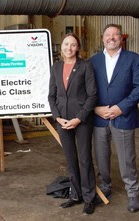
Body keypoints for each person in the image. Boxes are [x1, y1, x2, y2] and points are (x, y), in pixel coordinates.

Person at [90, 24, 139, 213]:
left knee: (127, 158)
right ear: (102, 38)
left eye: (115, 34)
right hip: (99, 118)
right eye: (108, 34)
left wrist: (120, 108)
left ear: (121, 38)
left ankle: (132, 193)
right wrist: (96, 109)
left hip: (124, 116)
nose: (111, 37)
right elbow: (87, 90)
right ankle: (105, 187)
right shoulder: (93, 61)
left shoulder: (134, 60)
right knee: (101, 156)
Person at [48, 33, 97, 215]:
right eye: (66, 44)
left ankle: (89, 198)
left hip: (81, 121)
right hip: (63, 121)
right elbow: (51, 96)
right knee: (70, 160)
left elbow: (92, 96)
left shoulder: (85, 66)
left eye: (73, 45)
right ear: (61, 46)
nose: (69, 48)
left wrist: (79, 118)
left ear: (78, 48)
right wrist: (57, 117)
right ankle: (75, 195)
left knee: (85, 159)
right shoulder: (56, 67)